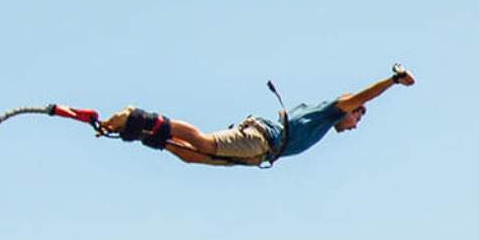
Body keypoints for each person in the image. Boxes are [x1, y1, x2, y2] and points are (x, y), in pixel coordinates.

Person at [100, 66, 415, 167]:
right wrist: (393, 81)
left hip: (263, 150)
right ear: (352, 110)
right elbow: (363, 96)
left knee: (193, 157)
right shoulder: (335, 108)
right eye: (358, 118)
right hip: (263, 139)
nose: (355, 125)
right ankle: (138, 117)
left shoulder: (323, 119)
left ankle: (142, 132)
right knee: (206, 143)